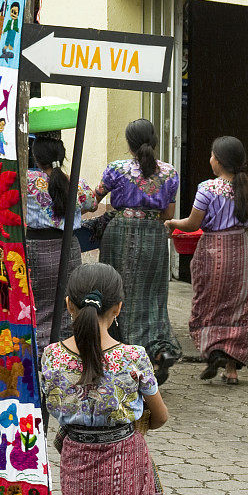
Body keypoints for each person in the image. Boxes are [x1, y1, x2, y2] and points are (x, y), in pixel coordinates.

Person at [41, 262, 168, 495]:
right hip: (127, 464)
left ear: (68, 305)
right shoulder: (133, 358)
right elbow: (160, 416)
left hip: (76, 464)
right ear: (118, 309)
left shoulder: (51, 356)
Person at [165, 136, 248, 385]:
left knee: (209, 302)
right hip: (241, 251)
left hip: (213, 252)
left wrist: (173, 223)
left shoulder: (207, 189)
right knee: (240, 306)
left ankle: (214, 351)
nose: (210, 160)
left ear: (218, 161)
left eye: (212, 156)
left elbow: (193, 223)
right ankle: (232, 369)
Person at [95, 118, 181, 384]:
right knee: (153, 298)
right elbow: (168, 213)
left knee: (115, 292)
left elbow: (93, 199)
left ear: (128, 143)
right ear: (154, 140)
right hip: (154, 235)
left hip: (119, 232)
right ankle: (160, 351)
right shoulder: (169, 172)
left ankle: (123, 356)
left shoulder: (116, 169)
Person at [26, 132, 97, 354]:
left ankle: (37, 351)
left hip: (35, 249)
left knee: (35, 299)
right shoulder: (75, 182)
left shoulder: (26, 181)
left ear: (35, 157)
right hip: (68, 249)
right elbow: (92, 204)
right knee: (68, 301)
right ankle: (63, 352)